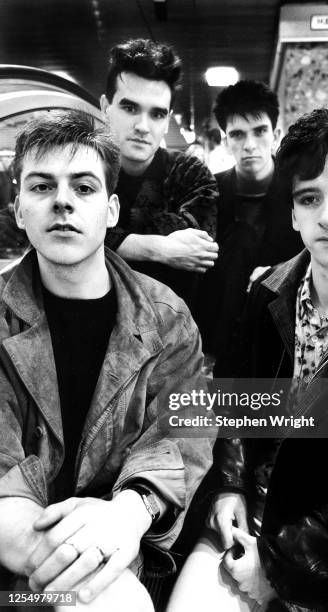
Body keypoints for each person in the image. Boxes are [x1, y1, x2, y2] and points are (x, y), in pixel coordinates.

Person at [167, 109, 328, 612]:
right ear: (294, 214)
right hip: (248, 521)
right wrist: (229, 486)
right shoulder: (267, 294)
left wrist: (276, 565)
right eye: (309, 198)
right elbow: (235, 399)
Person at [0, 110, 213, 610]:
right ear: (18, 209)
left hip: (122, 547)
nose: (63, 202)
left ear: (113, 209)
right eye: (41, 186)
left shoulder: (166, 319)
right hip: (17, 565)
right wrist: (81, 566)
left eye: (84, 187)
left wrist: (130, 512)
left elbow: (183, 432)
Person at [100, 38, 219, 310]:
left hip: (174, 334)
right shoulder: (84, 173)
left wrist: (108, 236)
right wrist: (161, 249)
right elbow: (68, 234)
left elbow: (200, 246)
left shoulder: (190, 172)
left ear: (167, 121)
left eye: (156, 114)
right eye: (130, 108)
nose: (142, 126)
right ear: (106, 107)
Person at [198, 80, 302, 357]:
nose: (250, 145)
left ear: (276, 133)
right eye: (238, 135)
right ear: (225, 139)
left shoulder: (300, 191)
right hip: (219, 342)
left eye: (259, 131)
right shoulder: (208, 192)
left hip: (283, 337)